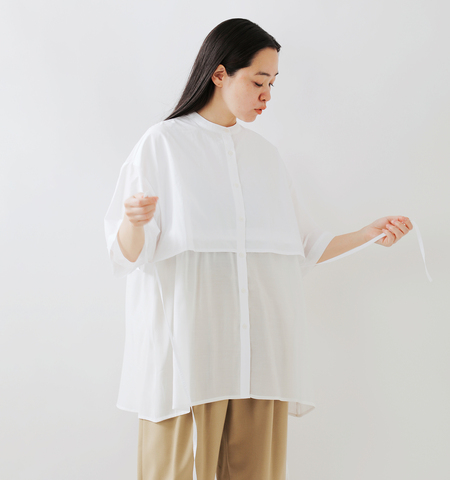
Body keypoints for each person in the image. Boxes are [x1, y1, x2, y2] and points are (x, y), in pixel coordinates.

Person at [104, 18, 415, 480]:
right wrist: (134, 222)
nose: (267, 94)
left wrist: (367, 234)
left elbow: (303, 246)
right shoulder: (163, 144)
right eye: (258, 81)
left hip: (258, 363)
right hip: (187, 366)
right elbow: (127, 255)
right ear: (219, 74)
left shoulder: (265, 157)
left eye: (272, 83)